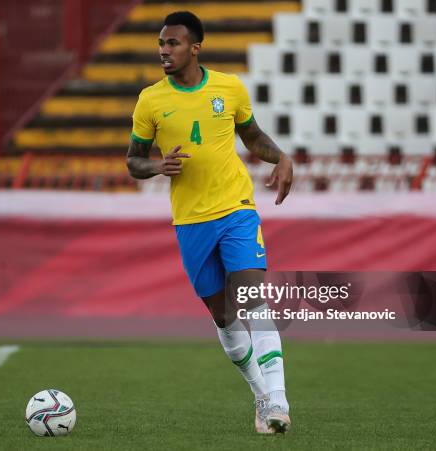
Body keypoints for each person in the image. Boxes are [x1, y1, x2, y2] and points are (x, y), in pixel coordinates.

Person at [126, 11, 293, 434]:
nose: (164, 50)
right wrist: (157, 166)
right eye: (161, 44)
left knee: (254, 299)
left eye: (173, 43)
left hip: (236, 208)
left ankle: (278, 401)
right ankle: (259, 396)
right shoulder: (150, 100)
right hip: (190, 221)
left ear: (195, 48)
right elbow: (133, 161)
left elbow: (253, 137)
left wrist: (283, 157)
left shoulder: (229, 87)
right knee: (223, 317)